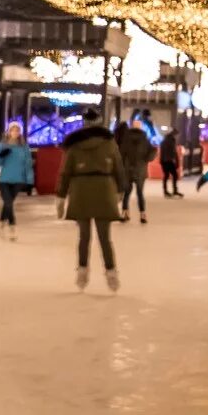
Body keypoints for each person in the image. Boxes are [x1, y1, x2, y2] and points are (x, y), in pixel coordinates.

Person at [58, 108, 129, 292]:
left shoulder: (74, 144)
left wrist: (61, 196)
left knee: (84, 236)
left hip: (80, 190)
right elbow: (118, 167)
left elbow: (66, 172)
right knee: (105, 237)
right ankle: (111, 272)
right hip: (104, 189)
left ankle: (82, 271)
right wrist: (121, 189)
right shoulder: (109, 142)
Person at [0, 121, 34, 240]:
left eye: (17, 130)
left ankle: (0, 225)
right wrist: (1, 156)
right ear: (8, 132)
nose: (15, 132)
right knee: (9, 203)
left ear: (20, 133)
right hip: (3, 178)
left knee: (8, 204)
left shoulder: (24, 147)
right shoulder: (2, 146)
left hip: (18, 179)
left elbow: (28, 164)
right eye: (12, 130)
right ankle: (12, 228)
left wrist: (29, 179)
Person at [114, 109, 157, 224]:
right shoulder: (145, 139)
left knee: (127, 192)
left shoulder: (126, 139)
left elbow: (121, 154)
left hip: (127, 170)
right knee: (139, 193)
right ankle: (143, 215)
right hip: (140, 170)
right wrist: (148, 157)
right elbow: (151, 154)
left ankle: (124, 213)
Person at [157, 125, 183, 198]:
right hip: (168, 160)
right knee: (174, 175)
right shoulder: (171, 140)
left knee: (166, 175)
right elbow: (173, 152)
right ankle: (174, 191)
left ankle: (166, 191)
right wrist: (176, 161)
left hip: (164, 160)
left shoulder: (165, 139)